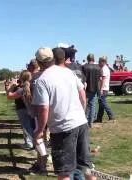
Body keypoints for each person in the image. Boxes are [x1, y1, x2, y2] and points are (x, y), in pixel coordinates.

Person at [32, 47, 96, 180]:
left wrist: (40, 129)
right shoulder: (68, 72)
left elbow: (44, 108)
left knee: (64, 172)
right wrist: (81, 113)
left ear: (38, 62)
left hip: (63, 129)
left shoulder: (42, 80)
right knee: (87, 168)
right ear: (52, 58)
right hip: (80, 123)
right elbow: (82, 94)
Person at [5, 77, 34, 149]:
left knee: (25, 126)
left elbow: (9, 96)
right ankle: (31, 142)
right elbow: (8, 92)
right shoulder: (27, 86)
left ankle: (29, 143)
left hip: (22, 109)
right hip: (30, 109)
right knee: (30, 125)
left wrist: (12, 85)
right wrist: (9, 86)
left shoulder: (21, 89)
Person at [82, 54, 102, 128]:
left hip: (85, 88)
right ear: (93, 59)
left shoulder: (84, 67)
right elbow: (100, 79)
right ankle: (90, 122)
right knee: (92, 105)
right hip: (95, 88)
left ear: (87, 59)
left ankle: (84, 121)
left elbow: (82, 78)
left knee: (85, 105)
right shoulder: (98, 67)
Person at [96, 56, 115, 123]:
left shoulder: (104, 69)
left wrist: (101, 89)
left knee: (103, 102)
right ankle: (99, 118)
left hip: (103, 88)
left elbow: (103, 80)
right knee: (101, 104)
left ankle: (111, 116)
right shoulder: (105, 68)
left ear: (103, 62)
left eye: (99, 61)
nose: (98, 63)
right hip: (104, 88)